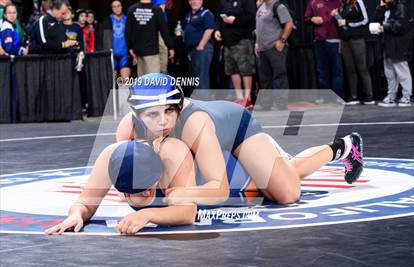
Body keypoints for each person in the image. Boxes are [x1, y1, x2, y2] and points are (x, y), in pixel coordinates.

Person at [117, 73, 364, 206]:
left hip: (235, 128)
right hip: (207, 138)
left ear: (179, 108)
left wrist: (182, 195)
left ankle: (343, 147)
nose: (162, 121)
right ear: (136, 115)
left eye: (169, 111)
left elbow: (219, 188)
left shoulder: (194, 123)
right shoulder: (127, 129)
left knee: (286, 192)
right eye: (152, 115)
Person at [45, 138, 197, 235]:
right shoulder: (110, 157)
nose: (143, 196)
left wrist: (147, 214)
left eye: (146, 191)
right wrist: (76, 214)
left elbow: (188, 212)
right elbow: (85, 204)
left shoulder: (173, 155)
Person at [215, 0, 257, 109]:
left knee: (246, 69)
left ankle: (247, 99)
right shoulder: (223, 2)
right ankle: (240, 97)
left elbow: (251, 18)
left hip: (242, 40)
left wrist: (235, 20)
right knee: (232, 70)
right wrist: (217, 30)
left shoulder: (247, 1)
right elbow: (219, 18)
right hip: (227, 42)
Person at [332, 0, 374, 105]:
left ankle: (369, 95)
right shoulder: (343, 5)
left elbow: (365, 20)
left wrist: (347, 22)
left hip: (357, 39)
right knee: (350, 68)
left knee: (362, 68)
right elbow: (342, 23)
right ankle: (353, 96)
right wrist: (336, 16)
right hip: (345, 40)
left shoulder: (358, 2)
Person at [255, 0, 294, 110]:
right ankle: (266, 103)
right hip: (262, 48)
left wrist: (282, 41)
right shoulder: (261, 6)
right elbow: (259, 26)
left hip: (274, 47)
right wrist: (257, 43)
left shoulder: (278, 6)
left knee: (279, 75)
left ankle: (281, 103)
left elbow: (289, 23)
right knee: (264, 78)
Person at [374, 0, 413, 108]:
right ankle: (391, 96)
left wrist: (385, 27)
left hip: (398, 45)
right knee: (390, 74)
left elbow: (400, 25)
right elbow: (376, 21)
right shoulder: (386, 8)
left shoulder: (400, 7)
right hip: (387, 45)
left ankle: (406, 96)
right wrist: (380, 8)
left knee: (402, 72)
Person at [304, 0, 344, 98]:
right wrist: (312, 19)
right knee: (322, 71)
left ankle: (336, 96)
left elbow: (346, 18)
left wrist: (337, 16)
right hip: (319, 40)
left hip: (334, 39)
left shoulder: (339, 2)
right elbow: (306, 18)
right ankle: (325, 97)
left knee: (337, 70)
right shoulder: (313, 2)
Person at [125, 0, 175, 76]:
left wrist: (130, 48)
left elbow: (128, 31)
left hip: (138, 52)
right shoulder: (156, 9)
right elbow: (164, 30)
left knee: (142, 83)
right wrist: (170, 47)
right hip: (152, 52)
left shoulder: (132, 9)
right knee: (153, 83)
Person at [184, 0, 215, 90]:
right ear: (189, 2)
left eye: (197, 0)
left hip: (202, 50)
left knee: (201, 79)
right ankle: (195, 102)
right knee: (194, 79)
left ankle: (204, 103)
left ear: (202, 1)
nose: (195, 2)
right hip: (192, 50)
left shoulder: (206, 13)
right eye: (192, 0)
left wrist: (201, 45)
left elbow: (210, 29)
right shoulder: (188, 15)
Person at [98, 0, 130, 81]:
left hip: (124, 54)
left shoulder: (127, 19)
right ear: (111, 8)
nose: (117, 8)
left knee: (125, 83)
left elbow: (133, 37)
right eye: (114, 6)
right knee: (111, 84)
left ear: (122, 7)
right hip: (111, 55)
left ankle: (124, 94)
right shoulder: (107, 21)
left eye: (118, 6)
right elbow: (101, 39)